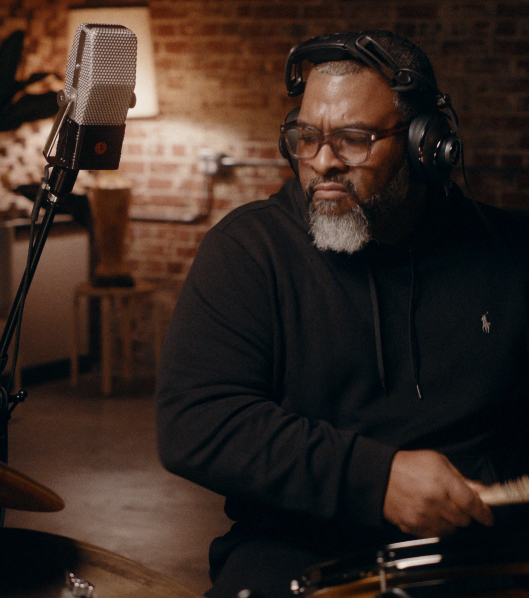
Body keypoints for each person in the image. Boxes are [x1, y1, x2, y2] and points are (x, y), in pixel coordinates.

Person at [156, 30, 529, 598]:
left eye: (353, 139)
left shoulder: (510, 251)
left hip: (478, 548)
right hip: (298, 547)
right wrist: (378, 480)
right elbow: (196, 423)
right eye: (306, 138)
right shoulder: (248, 251)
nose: (322, 162)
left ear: (426, 145)